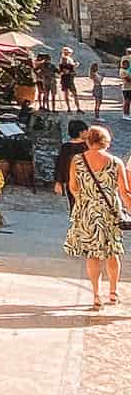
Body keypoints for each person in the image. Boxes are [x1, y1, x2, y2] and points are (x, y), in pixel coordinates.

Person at [65, 125, 131, 310]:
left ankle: (96, 294)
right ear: (106, 142)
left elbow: (73, 186)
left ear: (88, 141)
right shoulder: (115, 162)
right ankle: (113, 292)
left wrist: (85, 200)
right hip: (110, 212)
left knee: (93, 255)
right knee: (112, 252)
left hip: (87, 211)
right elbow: (124, 192)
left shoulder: (77, 161)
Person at [55, 118, 89, 211]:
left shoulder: (66, 147)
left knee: (74, 206)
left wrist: (59, 182)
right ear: (81, 132)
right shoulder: (87, 146)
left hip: (70, 181)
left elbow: (60, 165)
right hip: (86, 180)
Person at [59, 48, 80, 113]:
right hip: (67, 79)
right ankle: (75, 108)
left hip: (68, 79)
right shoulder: (65, 59)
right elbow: (65, 71)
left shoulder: (67, 59)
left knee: (68, 94)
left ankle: (71, 108)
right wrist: (74, 66)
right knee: (72, 94)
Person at [121, 53, 131, 121]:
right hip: (126, 88)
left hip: (129, 88)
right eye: (126, 64)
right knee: (126, 101)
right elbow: (128, 79)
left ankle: (127, 114)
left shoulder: (127, 71)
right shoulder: (123, 71)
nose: (127, 65)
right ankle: (125, 114)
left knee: (128, 101)